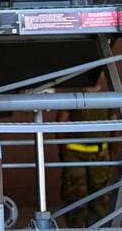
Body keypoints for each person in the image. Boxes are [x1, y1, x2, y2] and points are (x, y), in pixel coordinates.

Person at [57, 73, 118, 227]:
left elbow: (116, 126)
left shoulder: (108, 95)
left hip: (100, 154)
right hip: (75, 154)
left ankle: (96, 228)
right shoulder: (73, 93)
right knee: (75, 196)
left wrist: (111, 151)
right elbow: (60, 121)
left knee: (100, 198)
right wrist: (64, 150)